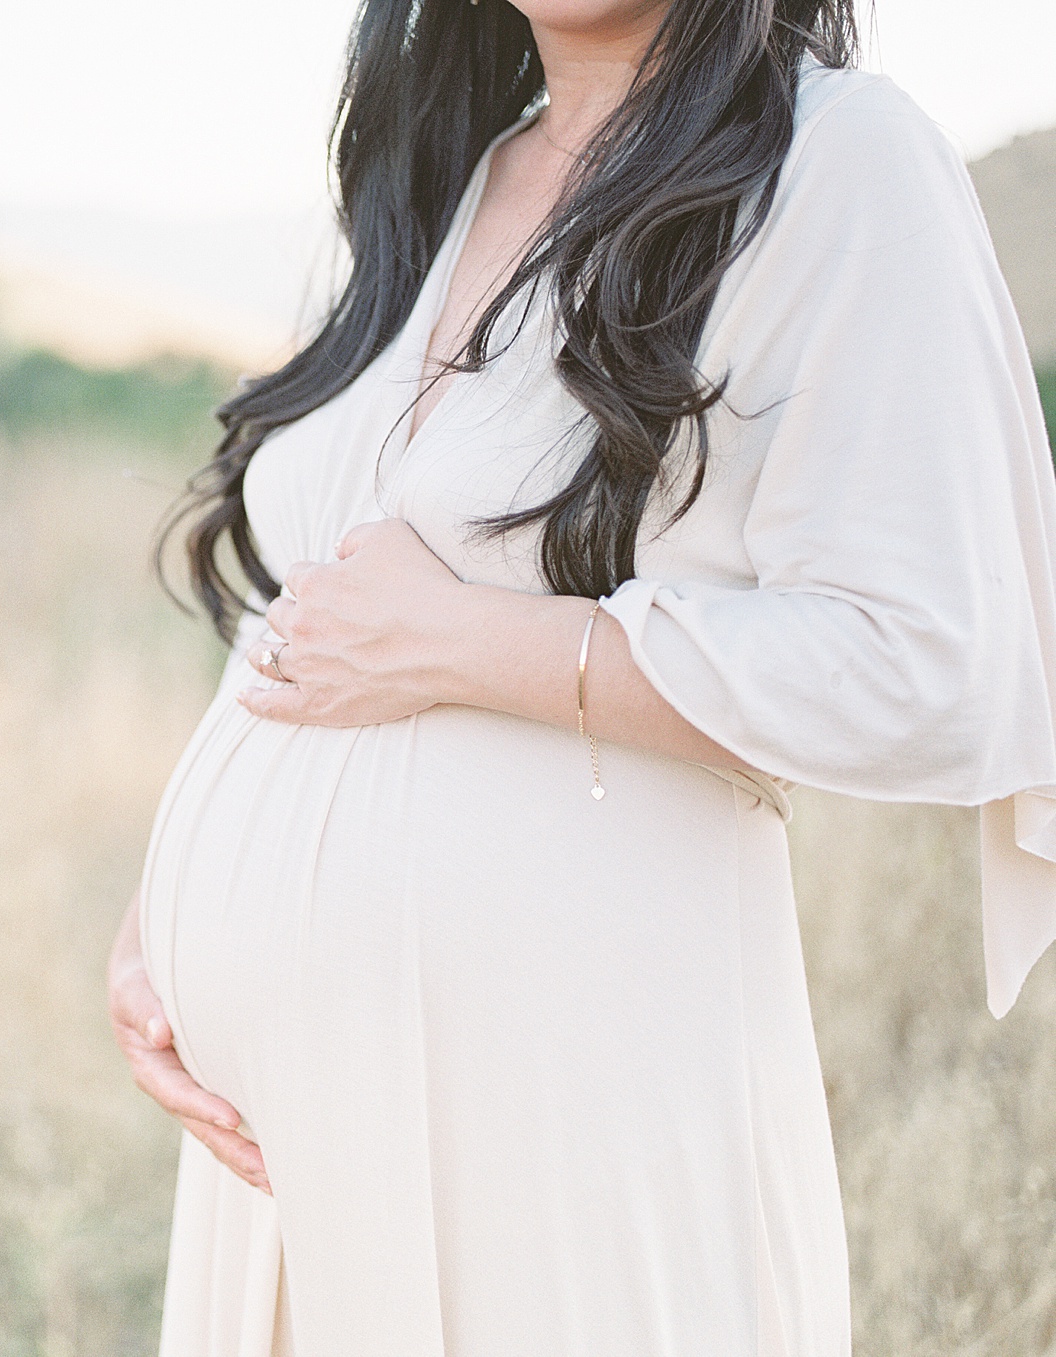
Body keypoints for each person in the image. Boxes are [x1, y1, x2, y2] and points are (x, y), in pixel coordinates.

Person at [104, 1, 1056, 1354]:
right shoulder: (446, 171)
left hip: (569, 1085)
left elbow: (932, 661)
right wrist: (168, 907)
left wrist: (469, 644)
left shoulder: (838, 160)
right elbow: (330, 586)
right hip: (289, 1127)